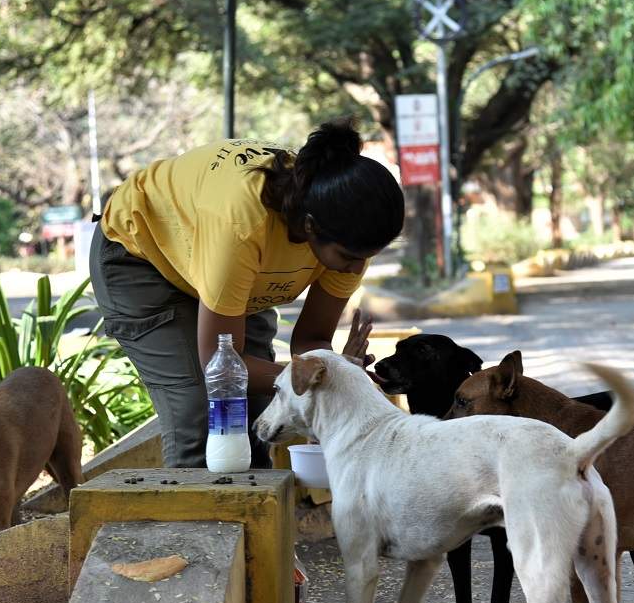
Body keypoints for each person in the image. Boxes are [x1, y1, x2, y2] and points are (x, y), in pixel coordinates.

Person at [90, 118, 404, 468]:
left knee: (259, 423)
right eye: (347, 257)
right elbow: (220, 363)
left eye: (366, 257)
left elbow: (312, 338)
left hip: (228, 271)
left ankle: (249, 521)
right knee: (204, 416)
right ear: (312, 226)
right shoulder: (242, 224)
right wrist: (320, 381)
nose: (354, 269)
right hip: (143, 258)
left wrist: (326, 380)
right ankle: (196, 522)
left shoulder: (347, 236)